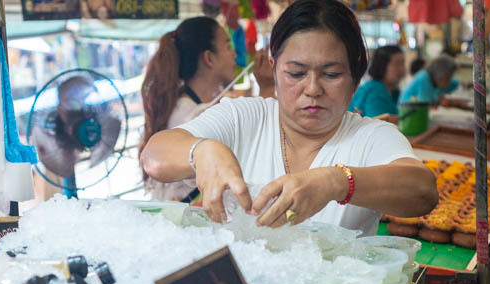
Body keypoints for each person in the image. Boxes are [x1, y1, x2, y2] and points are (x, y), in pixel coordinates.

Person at [140, 0, 437, 237]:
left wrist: (336, 181)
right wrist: (200, 151)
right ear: (273, 67)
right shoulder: (243, 117)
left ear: (356, 75)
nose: (312, 89)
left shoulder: (371, 137)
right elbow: (154, 156)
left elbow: (423, 191)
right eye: (295, 73)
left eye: (331, 74)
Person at [139, 17, 274, 201]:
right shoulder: (192, 115)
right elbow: (253, 156)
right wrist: (266, 89)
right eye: (228, 47)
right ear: (209, 58)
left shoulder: (186, 104)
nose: (235, 55)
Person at [348, 45, 405, 117]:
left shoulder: (394, 92)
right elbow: (380, 123)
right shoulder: (376, 89)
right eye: (397, 64)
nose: (402, 69)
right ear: (382, 66)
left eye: (402, 63)